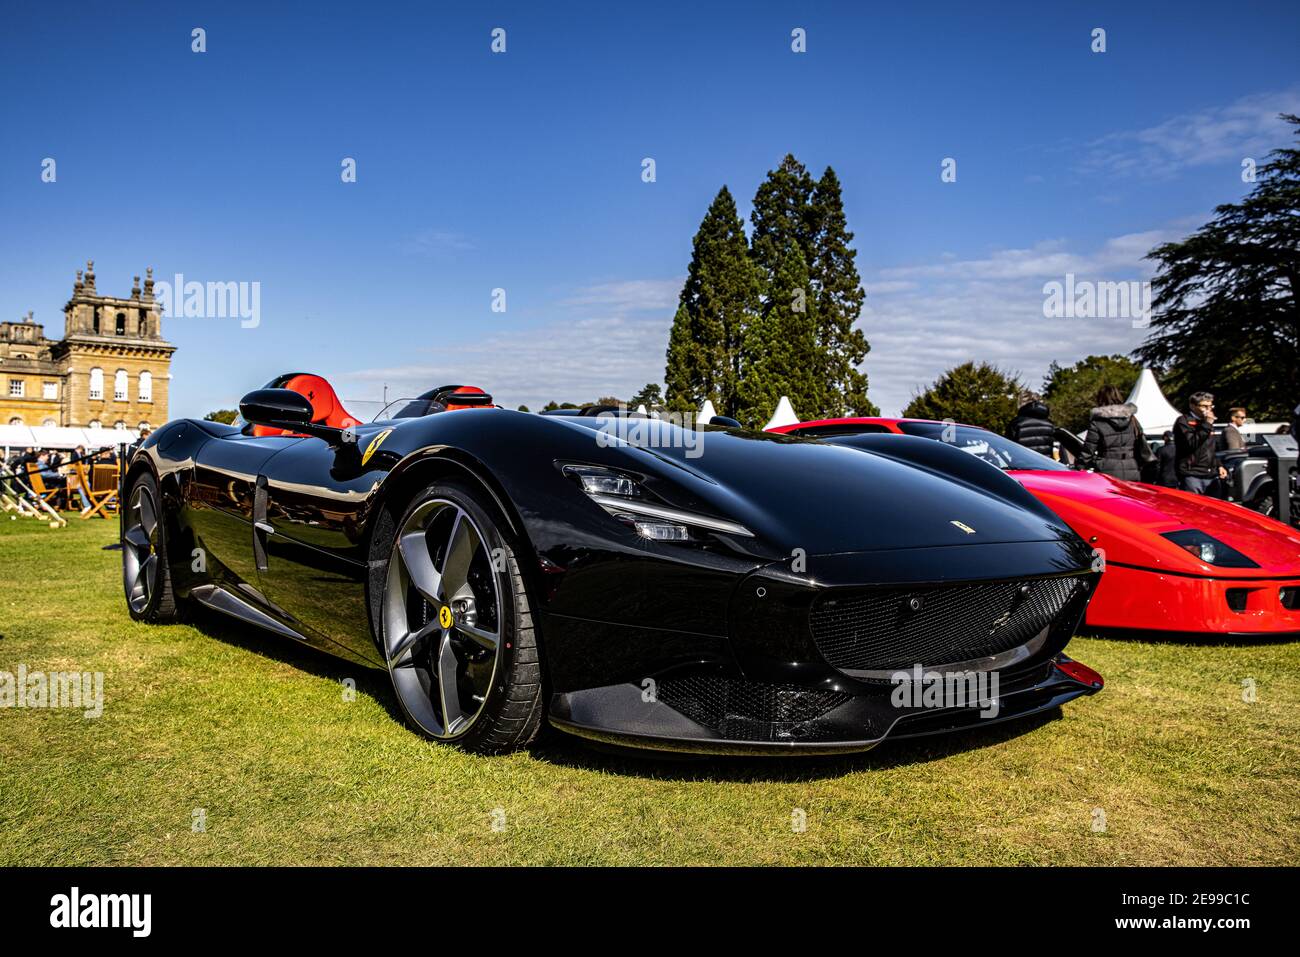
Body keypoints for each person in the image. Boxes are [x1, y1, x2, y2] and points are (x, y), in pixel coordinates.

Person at [1081, 385, 1155, 481]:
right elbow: (1142, 445)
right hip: (1132, 470)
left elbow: (1088, 451)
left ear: (1100, 399)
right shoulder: (1132, 419)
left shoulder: (1098, 422)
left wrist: (1079, 466)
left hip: (1107, 471)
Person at [1173, 391, 1229, 494]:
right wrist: (1207, 424)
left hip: (1211, 474)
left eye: (1210, 406)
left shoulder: (1207, 423)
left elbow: (1212, 449)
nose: (1208, 409)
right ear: (1193, 406)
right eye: (1204, 406)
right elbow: (1191, 443)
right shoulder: (1184, 421)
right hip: (1192, 473)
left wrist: (1219, 465)